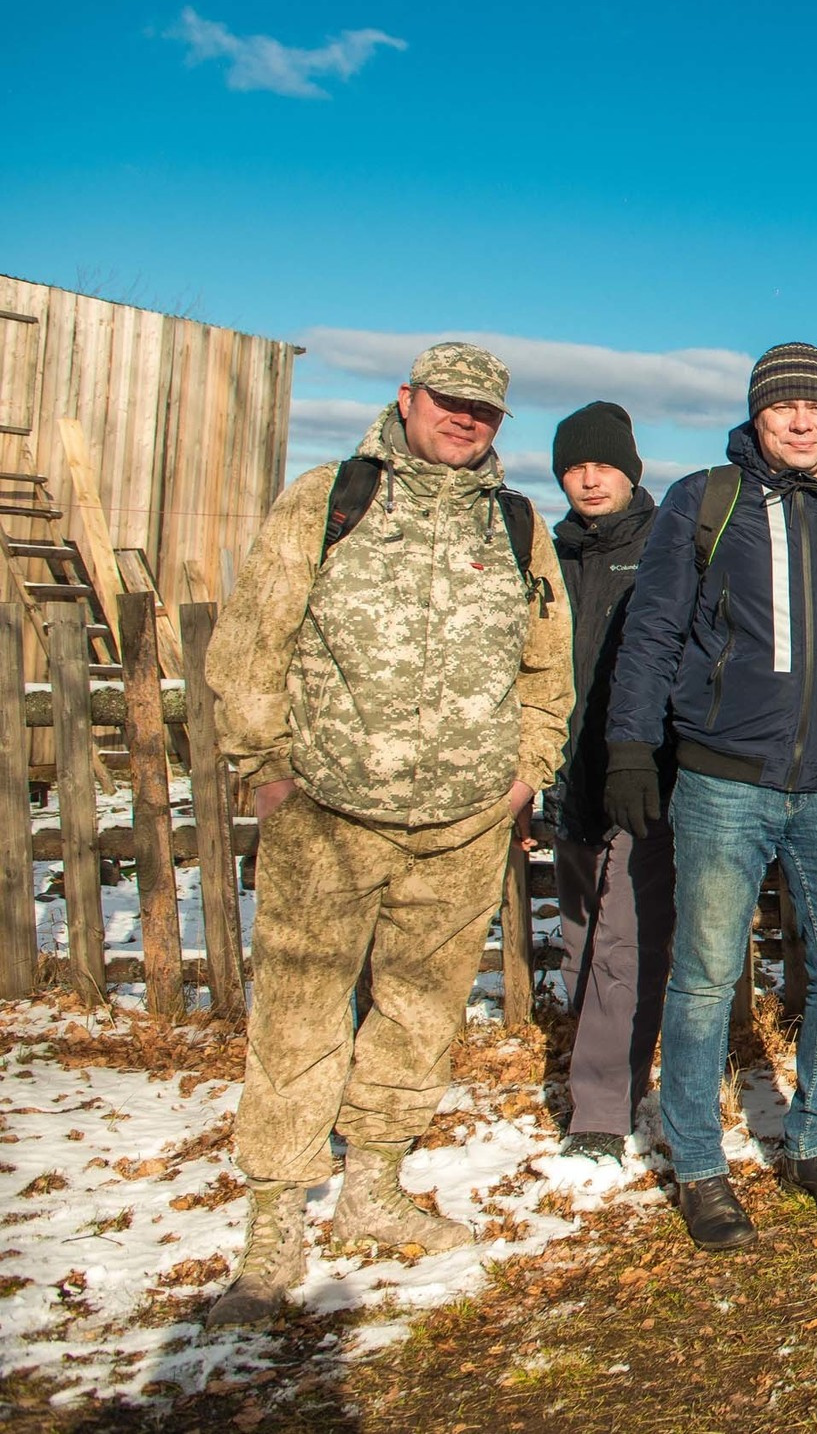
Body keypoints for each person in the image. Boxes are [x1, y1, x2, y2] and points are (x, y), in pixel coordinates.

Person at [201, 343, 572, 1326]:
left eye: (483, 410)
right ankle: (274, 1223)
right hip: (329, 817)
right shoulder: (331, 500)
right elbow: (253, 642)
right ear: (407, 399)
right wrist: (269, 773)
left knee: (420, 1011)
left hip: (461, 825)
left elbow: (548, 668)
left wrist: (524, 774)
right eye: (448, 401)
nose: (464, 419)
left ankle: (372, 1183)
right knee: (298, 1014)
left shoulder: (515, 524)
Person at [605, 342, 817, 1251]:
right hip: (723, 777)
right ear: (757, 414)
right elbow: (654, 631)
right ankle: (700, 1166)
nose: (802, 421)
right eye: (784, 406)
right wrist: (631, 744)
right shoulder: (704, 500)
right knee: (707, 977)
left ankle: (815, 1141)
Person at [547, 401, 675, 1167]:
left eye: (605, 466)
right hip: (564, 770)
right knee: (578, 933)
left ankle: (601, 1108)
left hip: (640, 770)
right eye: (575, 468)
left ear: (631, 472)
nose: (590, 481)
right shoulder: (550, 554)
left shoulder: (662, 545)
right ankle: (592, 1070)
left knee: (625, 939)